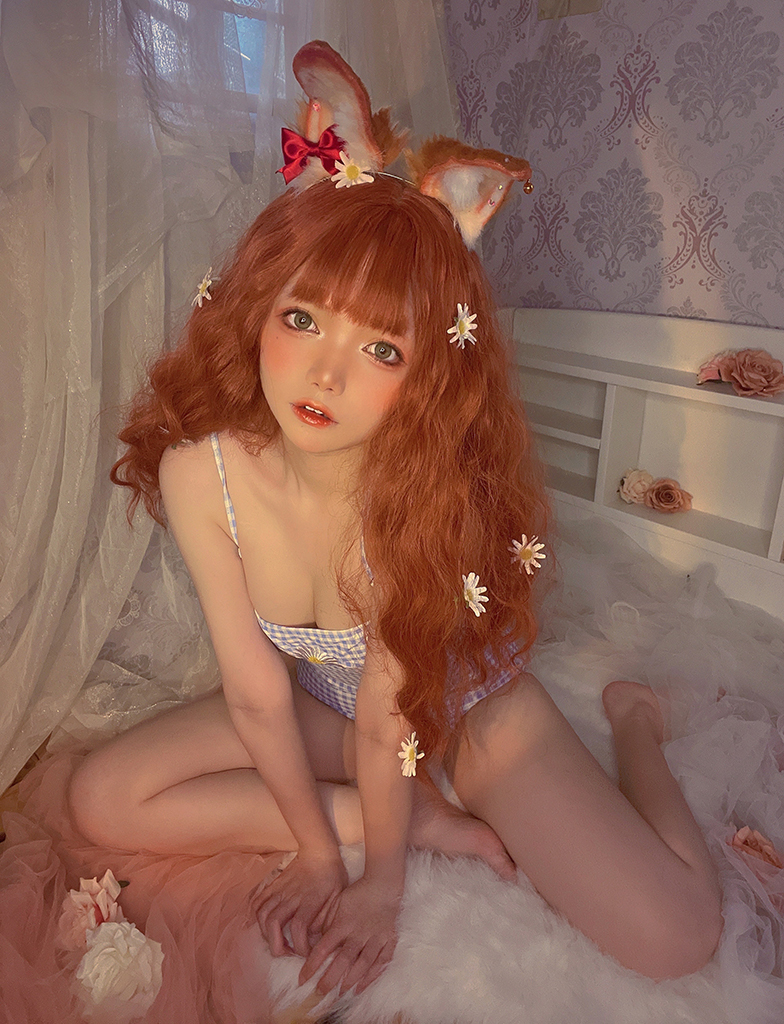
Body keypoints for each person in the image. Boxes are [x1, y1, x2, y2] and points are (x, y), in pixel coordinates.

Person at [67, 41, 723, 1002]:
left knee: (678, 936)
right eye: (302, 320)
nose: (326, 374)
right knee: (101, 797)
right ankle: (414, 818)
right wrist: (320, 846)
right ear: (256, 312)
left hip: (462, 714)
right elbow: (257, 696)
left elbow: (390, 726)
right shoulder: (202, 473)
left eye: (381, 348)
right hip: (326, 713)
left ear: (426, 374)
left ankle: (635, 725)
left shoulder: (407, 502)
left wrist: (378, 888)